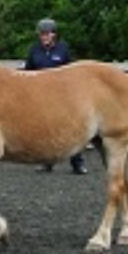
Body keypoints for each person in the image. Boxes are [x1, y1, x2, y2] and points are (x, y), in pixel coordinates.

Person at [23, 18, 87, 174]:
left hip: (60, 96)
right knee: (44, 129)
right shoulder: (34, 50)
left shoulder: (63, 50)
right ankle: (47, 162)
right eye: (42, 34)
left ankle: (77, 162)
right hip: (41, 96)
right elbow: (27, 72)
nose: (44, 37)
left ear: (54, 35)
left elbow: (71, 71)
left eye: (47, 34)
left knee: (71, 127)